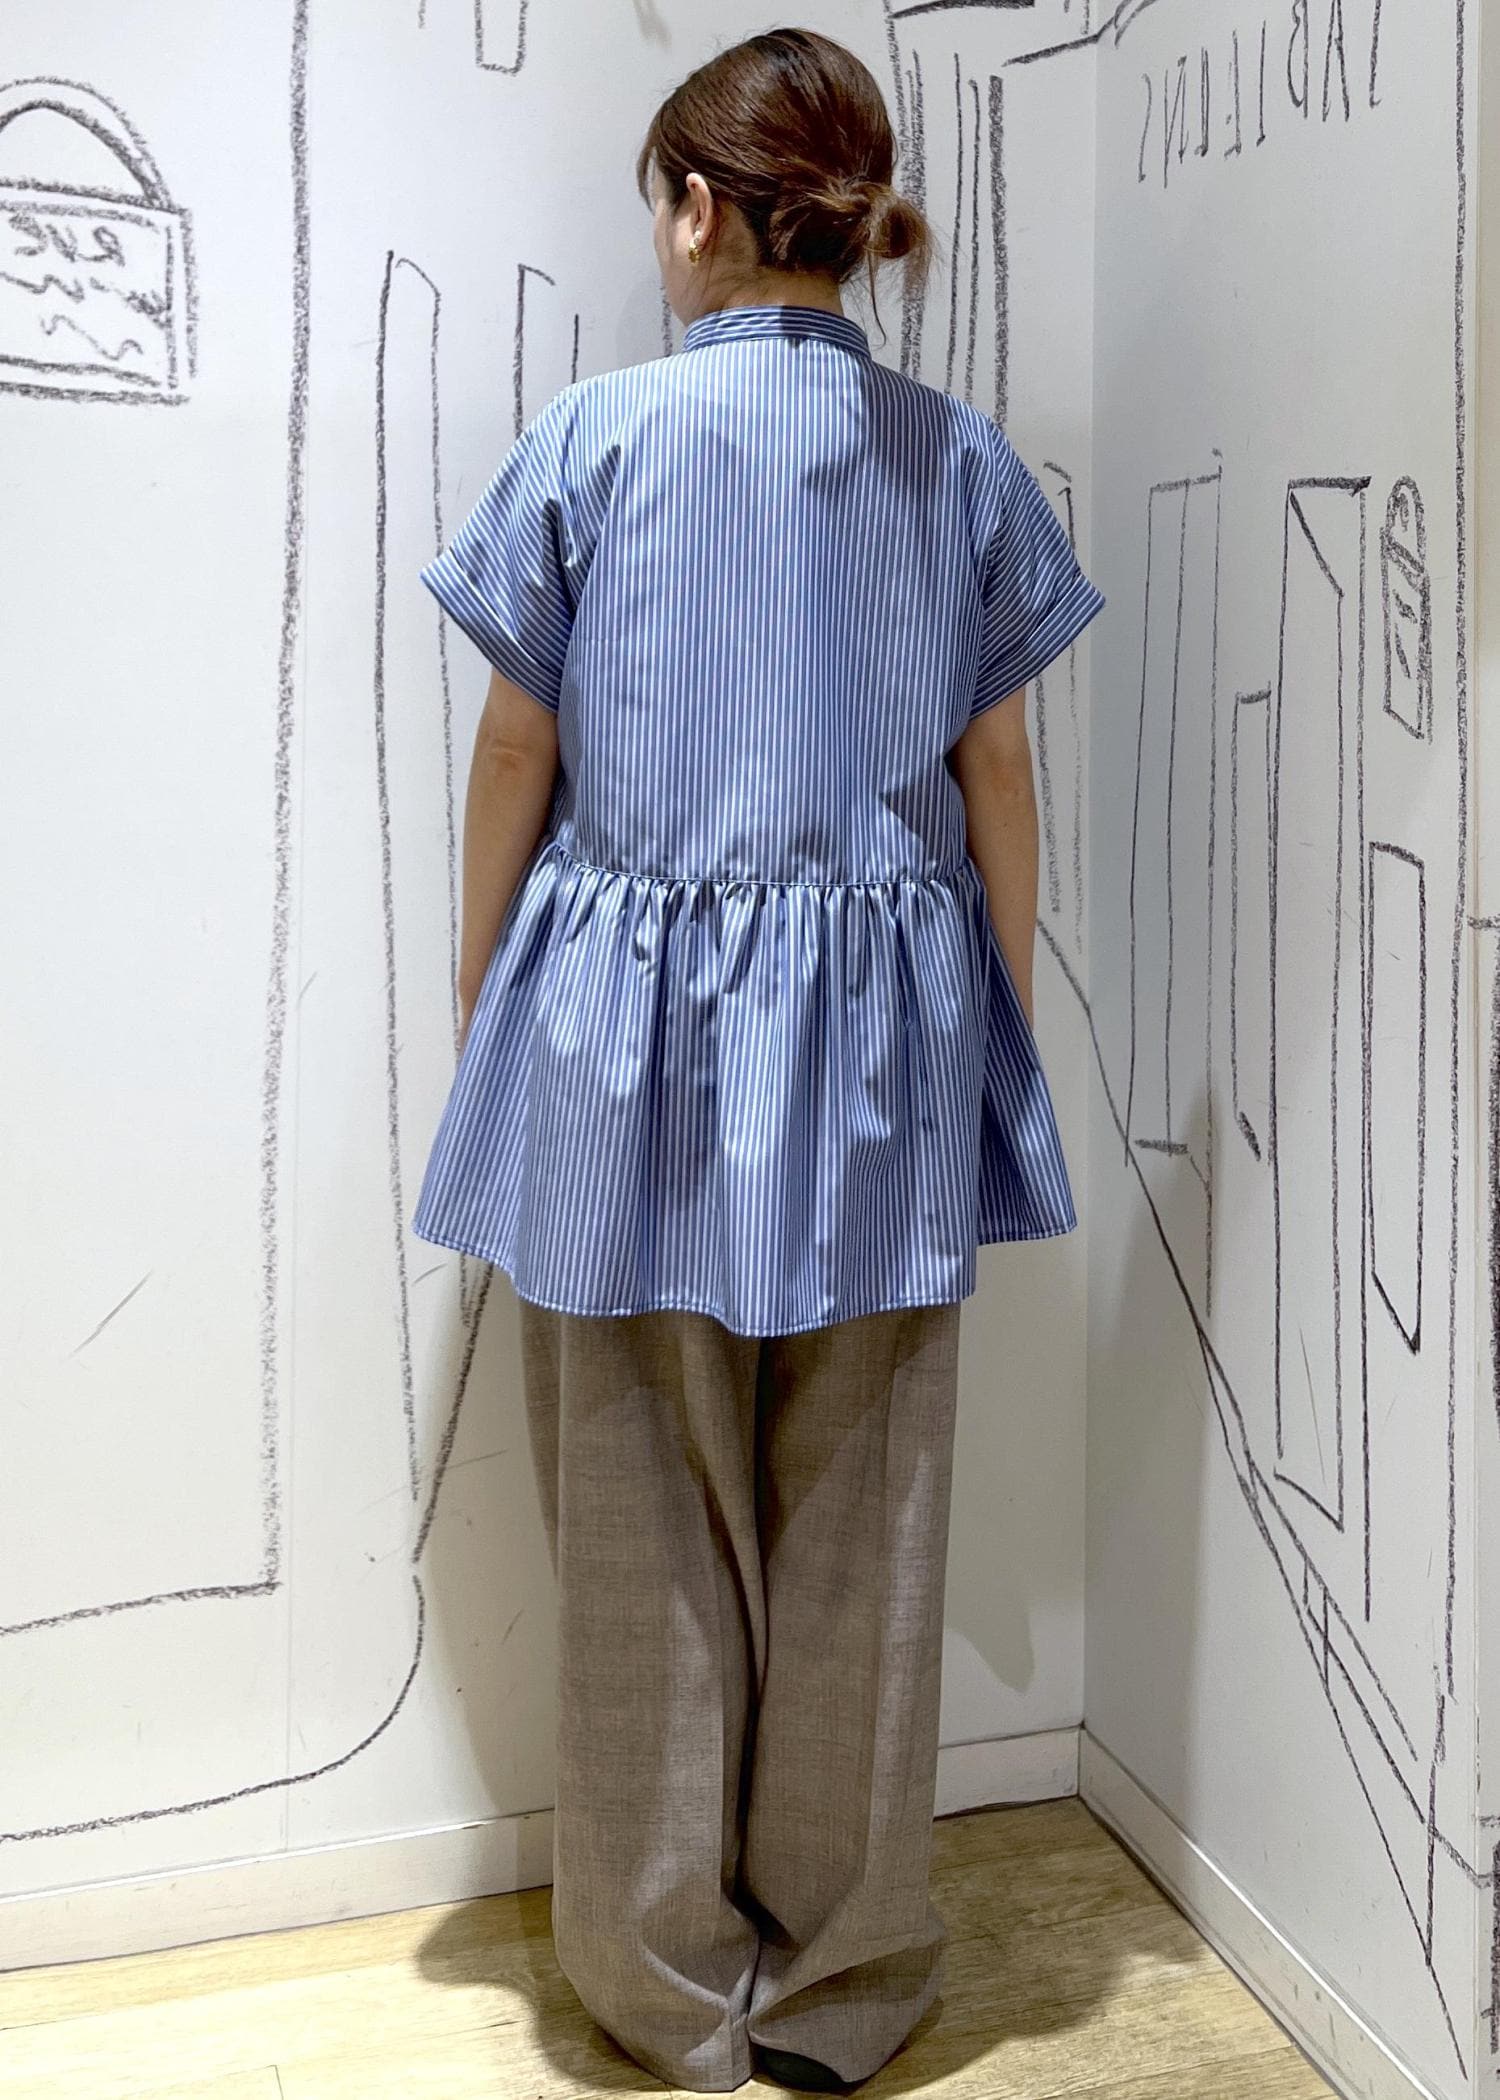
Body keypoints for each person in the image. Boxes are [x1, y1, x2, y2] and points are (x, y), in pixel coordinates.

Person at [411, 26, 1105, 2095]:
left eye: (662, 206)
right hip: (885, 1033)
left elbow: (516, 753)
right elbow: (1000, 776)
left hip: (622, 1036)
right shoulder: (957, 459)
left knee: (639, 1506)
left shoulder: (591, 440)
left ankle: (657, 1989)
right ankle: (846, 1986)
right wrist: (989, 1008)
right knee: (870, 1513)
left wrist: (487, 991)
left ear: (702, 210)